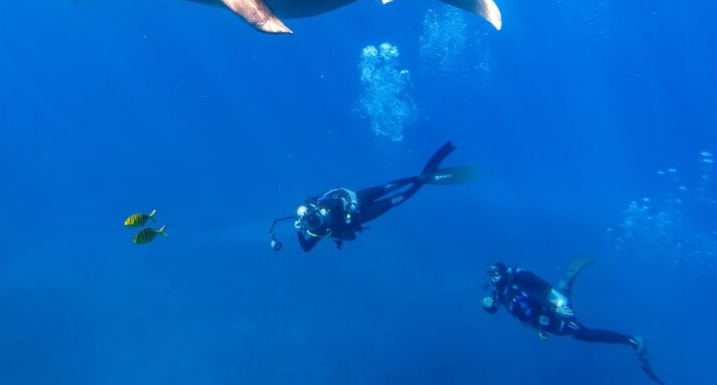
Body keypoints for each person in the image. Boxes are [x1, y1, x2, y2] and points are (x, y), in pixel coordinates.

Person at [268, 141, 476, 253]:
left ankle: (418, 177)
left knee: (387, 188)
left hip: (355, 200)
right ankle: (421, 181)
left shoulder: (313, 208)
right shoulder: (315, 230)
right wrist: (299, 232)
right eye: (311, 221)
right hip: (362, 216)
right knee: (396, 200)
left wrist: (314, 209)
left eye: (311, 217)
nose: (314, 219)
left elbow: (328, 197)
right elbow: (306, 249)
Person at [482, 259, 665, 384]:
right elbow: (512, 311)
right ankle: (564, 287)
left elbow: (536, 297)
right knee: (573, 329)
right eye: (492, 275)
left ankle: (634, 341)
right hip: (545, 320)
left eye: (496, 274)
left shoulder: (515, 284)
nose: (493, 278)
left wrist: (556, 308)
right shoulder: (500, 291)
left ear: (504, 272)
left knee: (582, 334)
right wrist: (487, 305)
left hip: (552, 314)